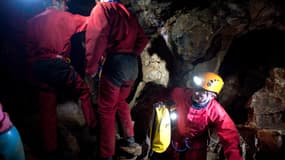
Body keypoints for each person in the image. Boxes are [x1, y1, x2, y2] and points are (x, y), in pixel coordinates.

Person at [25, 0, 96, 158]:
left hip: (39, 67)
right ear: (55, 2)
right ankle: (92, 127)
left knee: (47, 105)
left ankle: (51, 149)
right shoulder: (66, 17)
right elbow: (91, 21)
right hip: (58, 65)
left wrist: (34, 72)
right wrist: (101, 7)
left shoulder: (31, 22)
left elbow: (29, 52)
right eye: (64, 2)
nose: (67, 5)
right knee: (83, 91)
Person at [85, 0, 149, 159]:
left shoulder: (103, 8)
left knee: (106, 109)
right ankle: (130, 140)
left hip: (115, 63)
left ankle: (106, 154)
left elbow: (97, 36)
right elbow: (143, 38)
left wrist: (91, 68)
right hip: (132, 64)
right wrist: (131, 52)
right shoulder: (128, 13)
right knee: (121, 101)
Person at [161, 72, 243, 160]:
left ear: (212, 96)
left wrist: (234, 156)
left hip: (196, 146)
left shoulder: (215, 110)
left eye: (203, 93)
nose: (197, 94)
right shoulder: (183, 94)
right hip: (178, 138)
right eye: (197, 89)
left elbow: (229, 133)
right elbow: (166, 93)